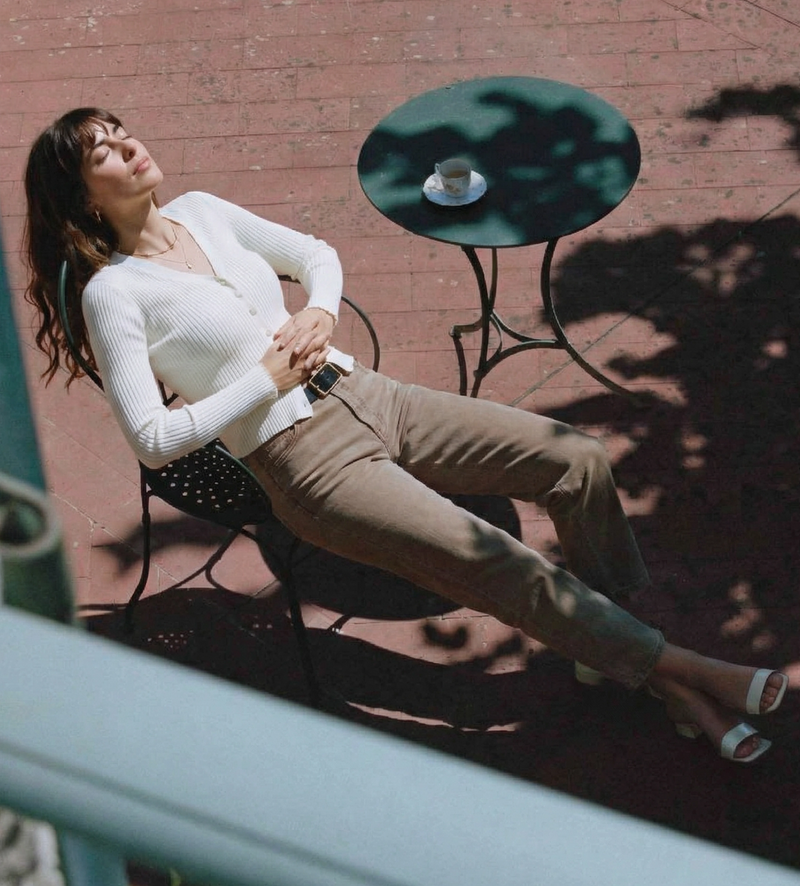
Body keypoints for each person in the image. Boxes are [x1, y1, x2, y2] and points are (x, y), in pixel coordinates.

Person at [23, 107, 788, 763]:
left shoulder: (203, 210)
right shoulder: (114, 293)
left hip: (370, 393)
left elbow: (315, 254)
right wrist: (264, 382)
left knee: (575, 458)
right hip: (305, 464)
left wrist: (319, 308)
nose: (128, 146)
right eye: (104, 152)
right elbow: (151, 438)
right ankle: (686, 674)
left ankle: (619, 653)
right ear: (83, 198)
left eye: (121, 132)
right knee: (501, 561)